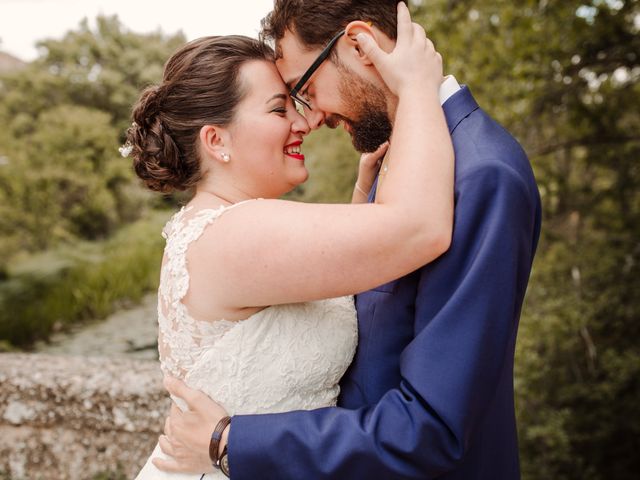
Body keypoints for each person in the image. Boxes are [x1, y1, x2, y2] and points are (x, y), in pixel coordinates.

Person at [157, 1, 542, 479]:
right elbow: (401, 245)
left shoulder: (481, 173)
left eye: (305, 89)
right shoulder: (407, 163)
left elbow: (438, 424)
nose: (309, 118)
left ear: (360, 46)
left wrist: (233, 441)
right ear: (216, 141)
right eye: (284, 105)